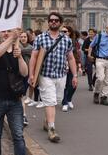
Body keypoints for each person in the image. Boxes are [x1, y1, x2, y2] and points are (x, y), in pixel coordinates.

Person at [29, 12, 78, 143]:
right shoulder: (40, 38)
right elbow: (34, 57)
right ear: (48, 22)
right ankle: (52, 129)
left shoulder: (66, 40)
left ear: (60, 23)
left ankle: (46, 121)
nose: (53, 22)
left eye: (56, 20)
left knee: (56, 100)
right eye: (51, 20)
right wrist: (32, 74)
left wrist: (75, 75)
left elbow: (71, 58)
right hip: (46, 75)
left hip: (61, 75)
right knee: (50, 101)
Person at [88, 22, 108, 106]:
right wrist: (89, 55)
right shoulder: (99, 36)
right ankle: (96, 93)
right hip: (100, 60)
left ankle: (104, 97)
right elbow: (91, 46)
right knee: (100, 78)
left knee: (107, 81)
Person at [61, 26, 82, 112]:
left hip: (73, 65)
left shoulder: (74, 42)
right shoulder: (58, 41)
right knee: (65, 85)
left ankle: (69, 99)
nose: (63, 33)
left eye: (65, 31)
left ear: (69, 32)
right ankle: (65, 102)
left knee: (73, 85)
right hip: (62, 66)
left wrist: (80, 65)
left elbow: (77, 55)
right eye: (61, 31)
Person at [19, 31, 33, 126]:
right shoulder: (16, 47)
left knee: (22, 95)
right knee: (20, 96)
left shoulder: (31, 48)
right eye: (21, 36)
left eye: (25, 37)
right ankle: (23, 115)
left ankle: (22, 115)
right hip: (17, 74)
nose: (23, 38)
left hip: (27, 74)